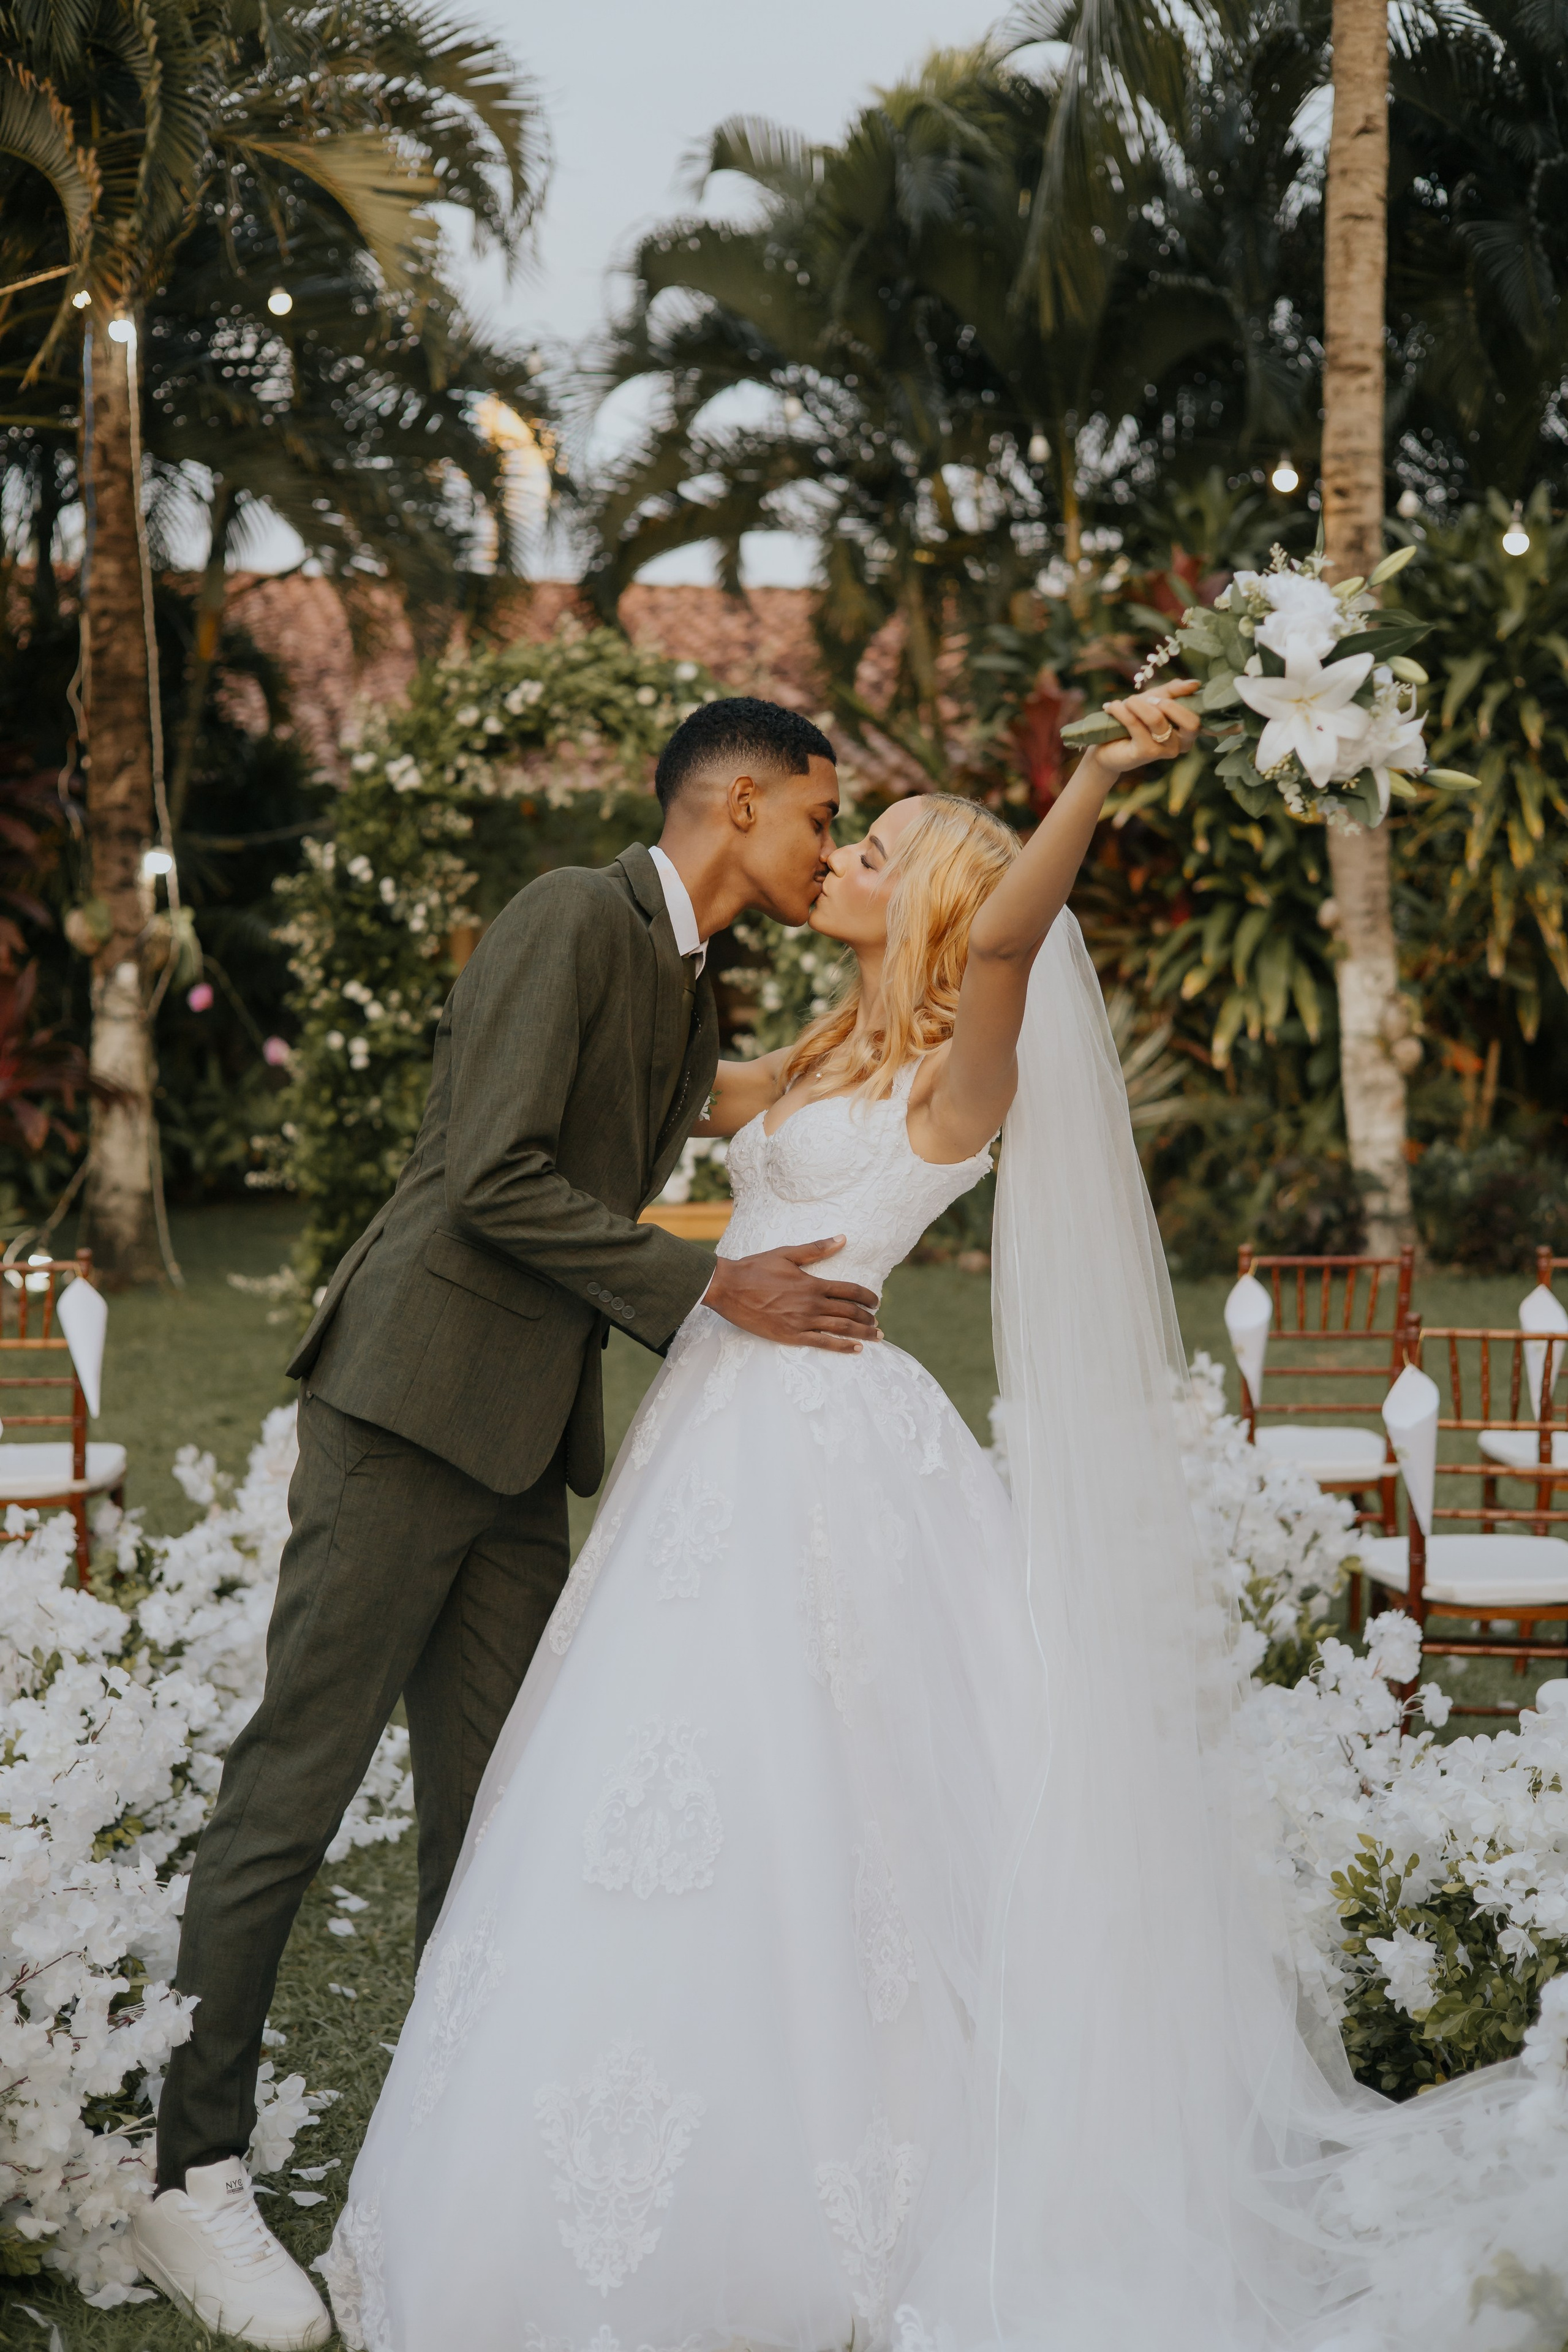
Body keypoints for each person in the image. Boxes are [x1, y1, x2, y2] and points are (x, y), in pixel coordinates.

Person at [133, 698, 895, 2350]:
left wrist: (902, 989)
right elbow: (492, 1175)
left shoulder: (691, 975)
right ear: (740, 801)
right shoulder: (570, 914)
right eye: (822, 815)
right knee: (295, 1786)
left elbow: (715, 1103)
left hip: (523, 1445)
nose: (830, 845)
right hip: (408, 1408)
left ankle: (449, 2175)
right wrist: (714, 1288)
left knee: (499, 1821)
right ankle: (189, 2177)